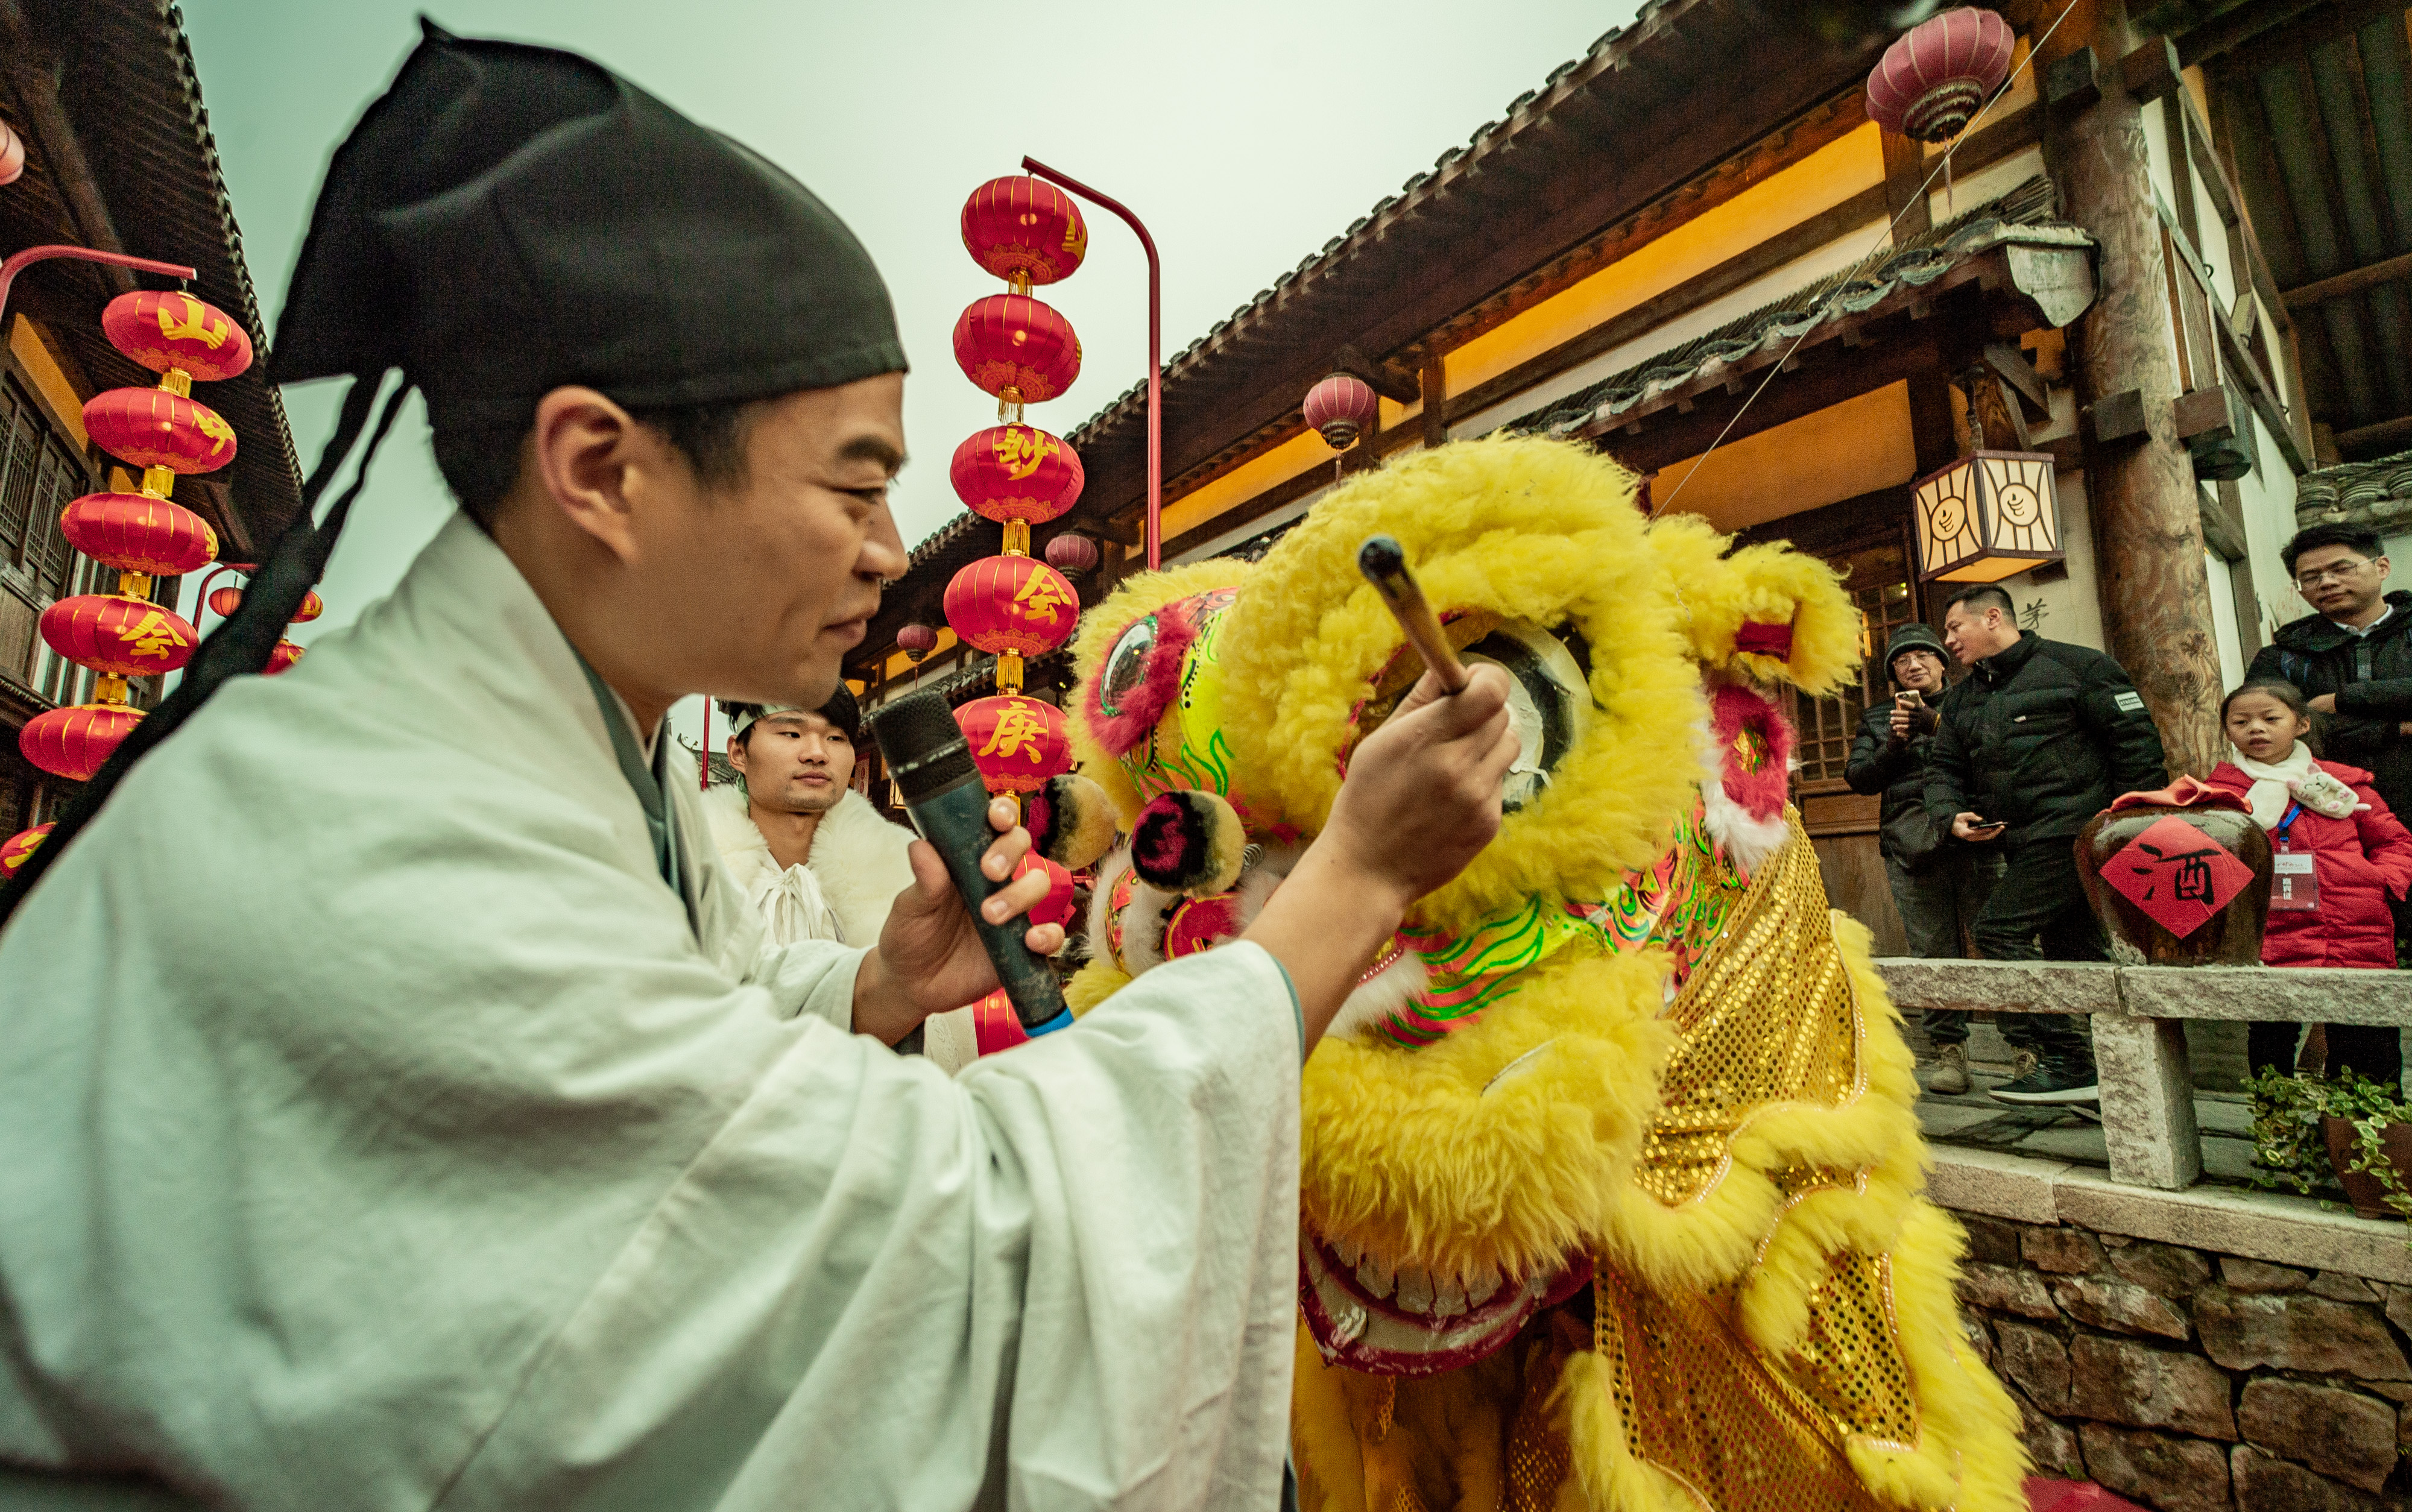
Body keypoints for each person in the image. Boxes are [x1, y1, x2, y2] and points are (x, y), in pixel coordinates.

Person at [0, 27, 1522, 1510]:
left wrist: (867, 989)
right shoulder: (383, 830)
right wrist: (1355, 879)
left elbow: (672, 1045)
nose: (882, 549)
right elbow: (939, 1245)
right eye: (853, 480)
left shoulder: (548, 758)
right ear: (601, 468)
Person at [1925, 583, 2170, 1104]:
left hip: (2080, 831)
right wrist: (1951, 816)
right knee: (2074, 950)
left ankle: (2068, 1059)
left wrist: (2126, 826)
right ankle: (2119, 1073)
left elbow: (2137, 748)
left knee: (1997, 929)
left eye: (1954, 627)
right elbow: (1943, 768)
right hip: (2019, 838)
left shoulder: (2079, 667)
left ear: (1993, 618)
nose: (1947, 640)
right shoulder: (1965, 698)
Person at [706, 690, 979, 1071]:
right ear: (738, 753)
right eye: (791, 734)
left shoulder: (906, 869)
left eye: (836, 738)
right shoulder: (695, 867)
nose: (817, 753)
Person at [2206, 681, 2412, 1083]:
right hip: (2268, 930)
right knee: (2271, 1036)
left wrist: (2380, 882)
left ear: (2301, 725)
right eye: (2241, 721)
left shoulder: (2345, 785)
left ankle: (2360, 1136)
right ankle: (2277, 1131)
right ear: (2228, 731)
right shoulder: (2218, 796)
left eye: (2271, 718)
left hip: (2353, 927)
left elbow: (2393, 841)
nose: (2256, 729)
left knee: (2366, 1036)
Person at [1846, 622, 2001, 1095]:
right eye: (1900, 661)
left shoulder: (1973, 701)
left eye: (1922, 656)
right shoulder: (1877, 718)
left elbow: (1993, 755)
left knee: (2000, 942)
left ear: (1941, 660)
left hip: (1974, 837)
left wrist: (1935, 726)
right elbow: (1860, 778)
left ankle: (2028, 1045)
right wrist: (1894, 744)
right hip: (1910, 844)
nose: (1912, 666)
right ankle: (1950, 1051)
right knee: (1933, 951)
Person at [2247, 523, 2412, 962]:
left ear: (2381, 567)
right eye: (2312, 577)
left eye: (2341, 568)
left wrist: (2343, 700)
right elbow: (2269, 732)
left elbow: (2315, 720)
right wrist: (2397, 728)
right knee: (2346, 954)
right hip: (2331, 822)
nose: (2326, 582)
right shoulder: (2282, 656)